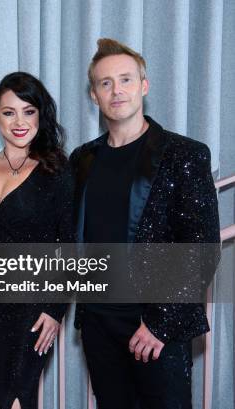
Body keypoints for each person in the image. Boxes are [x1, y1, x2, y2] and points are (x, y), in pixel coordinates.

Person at [70, 38, 220, 409]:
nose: (116, 90)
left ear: (143, 86)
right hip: (99, 323)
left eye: (125, 79)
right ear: (94, 95)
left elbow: (201, 248)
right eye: (105, 83)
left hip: (155, 326)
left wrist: (160, 323)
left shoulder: (184, 154)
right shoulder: (82, 159)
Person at [0, 72, 73, 409]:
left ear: (40, 115)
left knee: (18, 395)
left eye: (28, 111)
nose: (19, 121)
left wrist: (54, 309)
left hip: (34, 302)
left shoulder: (57, 171)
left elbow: (71, 244)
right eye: (9, 112)